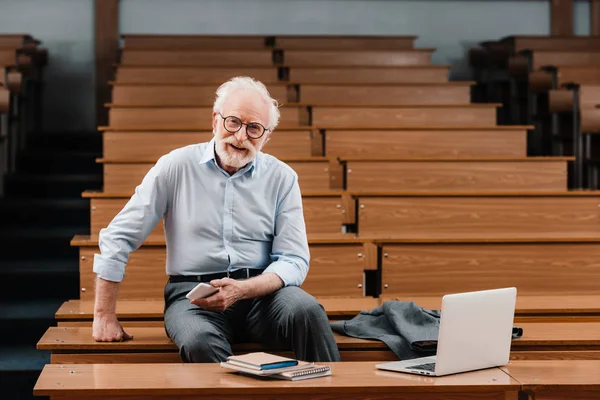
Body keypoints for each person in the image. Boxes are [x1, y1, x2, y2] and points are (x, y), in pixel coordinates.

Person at [91, 76, 341, 363]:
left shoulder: (282, 178)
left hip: (263, 296)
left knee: (307, 311)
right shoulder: (174, 166)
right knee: (198, 340)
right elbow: (118, 237)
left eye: (254, 128)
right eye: (233, 122)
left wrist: (243, 289)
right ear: (215, 120)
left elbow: (294, 260)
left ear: (267, 135)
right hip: (193, 297)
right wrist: (103, 314)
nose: (240, 136)